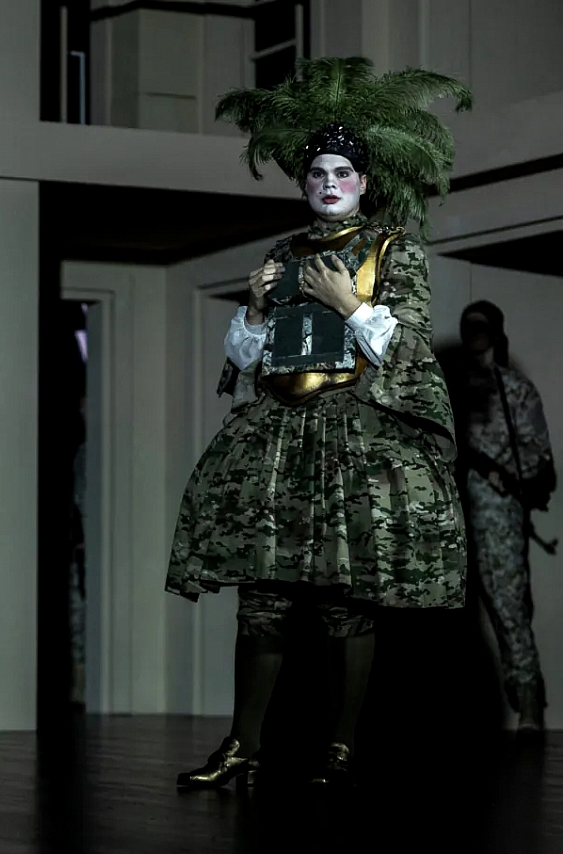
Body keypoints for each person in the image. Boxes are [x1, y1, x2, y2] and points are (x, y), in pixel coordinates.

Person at [167, 57, 471, 788]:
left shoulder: (394, 248)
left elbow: (407, 347)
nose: (328, 183)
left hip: (354, 435)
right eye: (316, 174)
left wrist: (349, 304)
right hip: (279, 435)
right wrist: (253, 309)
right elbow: (248, 359)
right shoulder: (282, 252)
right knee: (261, 597)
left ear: (363, 181)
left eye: (341, 173)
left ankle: (340, 746)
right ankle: (242, 745)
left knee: (344, 600)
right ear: (303, 184)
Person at [444, 301, 555, 732]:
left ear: (495, 332)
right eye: (468, 326)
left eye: (481, 326)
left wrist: (503, 474)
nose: (474, 334)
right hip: (449, 518)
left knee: (510, 612)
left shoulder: (514, 390)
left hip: (496, 517)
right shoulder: (449, 389)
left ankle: (528, 704)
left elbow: (539, 456)